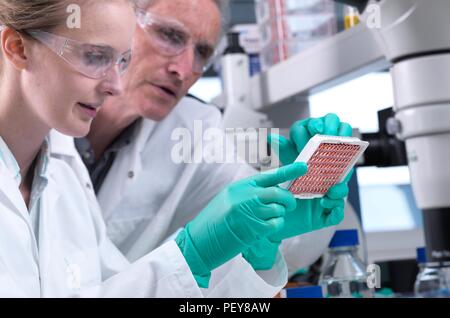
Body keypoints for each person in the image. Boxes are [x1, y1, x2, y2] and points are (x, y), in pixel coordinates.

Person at [0, 0, 308, 297]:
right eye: (95, 56)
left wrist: (258, 254)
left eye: (121, 60)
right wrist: (190, 256)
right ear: (17, 48)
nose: (116, 86)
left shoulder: (62, 171)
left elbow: (114, 289)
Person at [50, 0, 353, 280]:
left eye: (202, 53)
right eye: (170, 35)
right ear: (118, 19)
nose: (183, 70)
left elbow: (289, 248)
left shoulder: (194, 130)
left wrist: (303, 183)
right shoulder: (39, 112)